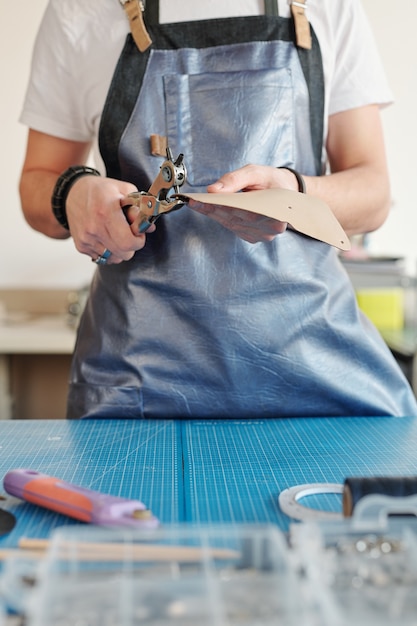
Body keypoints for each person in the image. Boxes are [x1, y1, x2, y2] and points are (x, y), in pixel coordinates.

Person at [19, 0, 417, 419]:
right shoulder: (79, 10)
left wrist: (295, 191)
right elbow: (35, 184)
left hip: (315, 379)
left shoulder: (325, 6)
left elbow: (373, 194)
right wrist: (73, 192)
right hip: (137, 387)